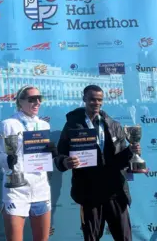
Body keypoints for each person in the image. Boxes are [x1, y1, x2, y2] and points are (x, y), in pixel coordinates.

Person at [54, 85, 141, 241]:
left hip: (115, 191)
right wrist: (66, 162)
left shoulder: (113, 125)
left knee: (125, 237)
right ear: (84, 99)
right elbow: (60, 156)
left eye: (99, 99)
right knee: (91, 238)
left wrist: (131, 152)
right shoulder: (72, 126)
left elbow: (120, 160)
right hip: (89, 192)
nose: (96, 103)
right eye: (92, 99)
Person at [0, 86, 52, 241]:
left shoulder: (44, 125)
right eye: (32, 99)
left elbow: (44, 158)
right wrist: (8, 161)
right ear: (20, 102)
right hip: (16, 190)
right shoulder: (9, 124)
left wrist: (52, 152)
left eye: (40, 98)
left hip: (40, 188)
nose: (37, 102)